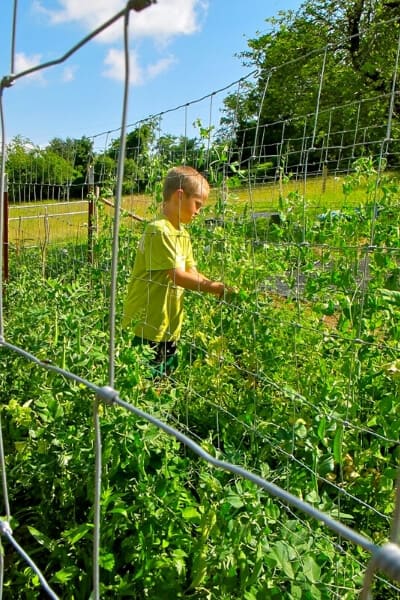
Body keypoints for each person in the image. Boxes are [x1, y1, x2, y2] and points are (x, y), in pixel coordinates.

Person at [122, 165, 232, 376]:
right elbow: (176, 276)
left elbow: (192, 272)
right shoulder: (159, 230)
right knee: (143, 385)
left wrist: (218, 287)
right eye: (197, 204)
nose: (199, 212)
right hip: (146, 327)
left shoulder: (182, 234)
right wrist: (216, 288)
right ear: (180, 196)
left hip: (168, 327)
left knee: (165, 382)